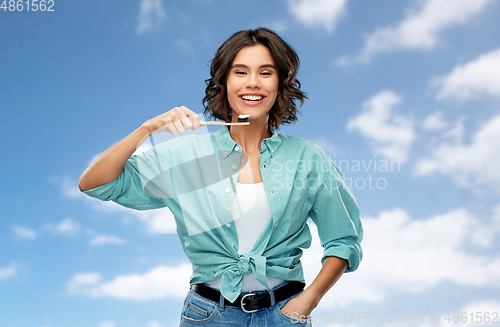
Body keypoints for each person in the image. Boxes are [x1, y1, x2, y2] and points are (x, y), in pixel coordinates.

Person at [78, 27, 363, 326]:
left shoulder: (308, 158)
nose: (252, 83)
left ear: (280, 83)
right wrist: (147, 129)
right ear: (224, 81)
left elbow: (344, 240)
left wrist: (310, 300)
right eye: (240, 72)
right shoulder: (185, 156)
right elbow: (95, 183)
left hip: (285, 315)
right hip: (209, 316)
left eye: (265, 72)